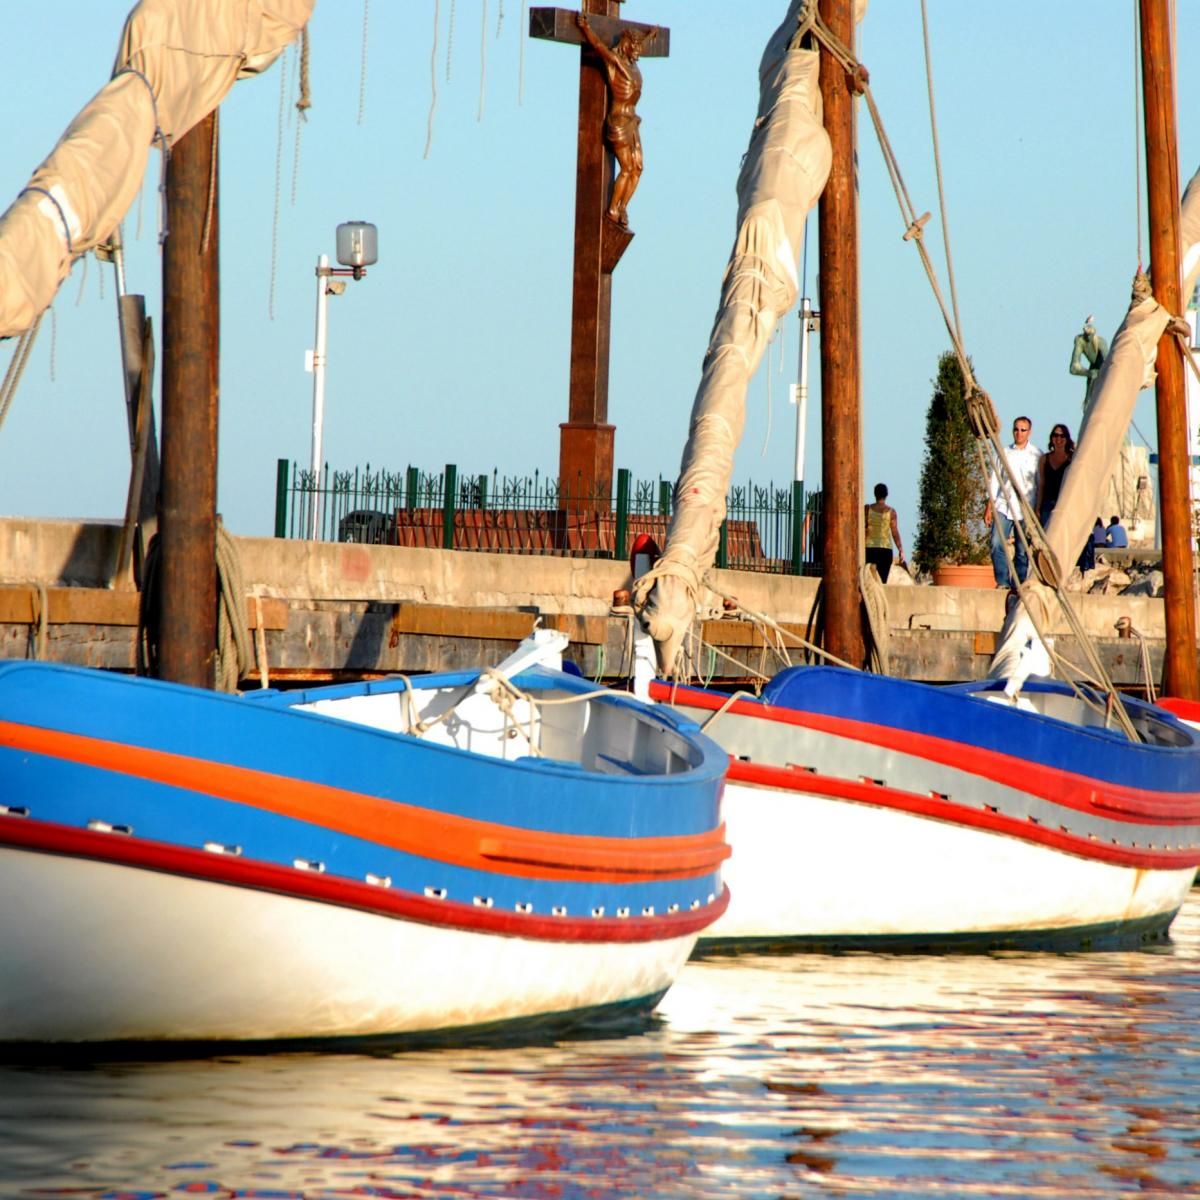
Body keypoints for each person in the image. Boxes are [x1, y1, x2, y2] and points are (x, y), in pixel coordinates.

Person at [576, 13, 655, 227]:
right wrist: (586, 29)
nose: (639, 51)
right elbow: (600, 48)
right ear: (626, 44)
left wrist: (649, 35)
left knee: (638, 168)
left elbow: (642, 44)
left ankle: (622, 207)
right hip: (619, 121)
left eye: (640, 47)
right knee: (628, 168)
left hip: (633, 121)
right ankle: (612, 210)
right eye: (635, 46)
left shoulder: (633, 64)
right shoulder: (617, 63)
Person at [984, 416, 1042, 589]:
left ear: (1029, 432)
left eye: (1023, 430)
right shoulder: (1004, 453)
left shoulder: (1037, 455)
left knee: (1022, 549)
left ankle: (1020, 583)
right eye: (1016, 429)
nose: (1019, 433)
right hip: (1004, 504)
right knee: (996, 543)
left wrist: (1037, 509)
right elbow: (994, 481)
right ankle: (1002, 581)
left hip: (1026, 507)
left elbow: (1040, 483)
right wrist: (989, 506)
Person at [1035, 422, 1075, 527]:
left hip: (1066, 504)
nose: (1059, 438)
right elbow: (1042, 484)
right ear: (1052, 438)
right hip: (1048, 503)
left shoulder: (1072, 458)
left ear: (1067, 438)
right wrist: (1038, 508)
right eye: (1056, 435)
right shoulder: (1044, 459)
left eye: (1062, 436)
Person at [864, 483, 905, 583]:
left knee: (869, 581)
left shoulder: (867, 509)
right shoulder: (891, 512)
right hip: (885, 550)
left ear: (875, 494)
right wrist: (900, 549)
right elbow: (895, 532)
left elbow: (864, 529)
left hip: (870, 549)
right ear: (886, 495)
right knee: (882, 581)